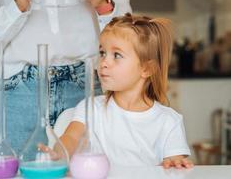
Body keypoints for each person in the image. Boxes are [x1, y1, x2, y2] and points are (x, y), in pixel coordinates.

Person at [0, 0, 131, 155]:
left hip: (86, 95)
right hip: (18, 100)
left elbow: (132, 45)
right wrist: (15, 8)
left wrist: (102, 4)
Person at [54, 13, 194, 168]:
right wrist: (58, 153)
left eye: (117, 55)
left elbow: (174, 163)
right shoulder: (90, 108)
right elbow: (71, 138)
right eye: (102, 53)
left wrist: (175, 163)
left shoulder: (169, 121)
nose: (104, 62)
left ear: (147, 69)